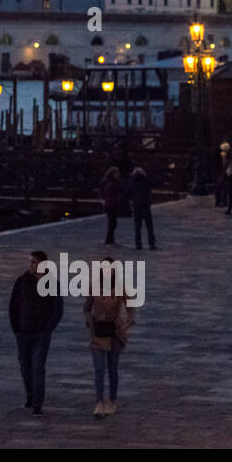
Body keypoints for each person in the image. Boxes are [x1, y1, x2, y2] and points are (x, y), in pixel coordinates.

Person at [8, 250, 64, 415]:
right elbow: (13, 307)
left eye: (34, 262)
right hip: (23, 333)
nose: (30, 265)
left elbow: (58, 309)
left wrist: (48, 328)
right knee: (25, 368)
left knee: (38, 368)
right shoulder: (21, 282)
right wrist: (16, 330)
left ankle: (37, 403)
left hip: (41, 334)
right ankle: (30, 396)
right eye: (30, 262)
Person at [85, 259, 135, 418]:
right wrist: (90, 324)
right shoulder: (94, 286)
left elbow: (131, 308)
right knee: (99, 369)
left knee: (113, 368)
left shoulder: (120, 287)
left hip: (114, 332)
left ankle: (112, 400)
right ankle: (99, 402)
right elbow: (86, 308)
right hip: (98, 332)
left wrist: (125, 325)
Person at [127, 166, 155, 249]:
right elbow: (156, 183)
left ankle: (138, 244)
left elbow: (127, 193)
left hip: (136, 206)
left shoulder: (132, 182)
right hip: (146, 205)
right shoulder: (147, 181)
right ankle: (151, 244)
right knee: (149, 226)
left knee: (137, 227)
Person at [99, 167, 123, 245]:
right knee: (112, 221)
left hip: (113, 202)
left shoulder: (115, 181)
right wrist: (103, 200)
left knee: (112, 221)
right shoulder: (109, 182)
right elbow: (101, 192)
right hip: (110, 203)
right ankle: (109, 239)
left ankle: (110, 239)